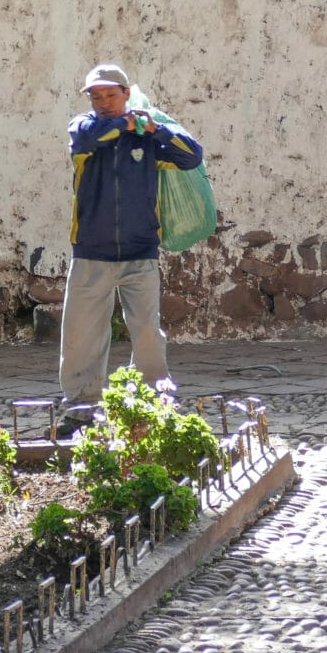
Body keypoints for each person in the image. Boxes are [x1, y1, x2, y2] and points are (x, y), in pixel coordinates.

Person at [61, 63, 203, 431]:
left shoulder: (147, 138)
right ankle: (80, 409)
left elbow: (192, 155)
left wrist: (155, 128)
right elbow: (89, 139)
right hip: (91, 251)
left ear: (126, 95)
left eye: (111, 94)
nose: (103, 102)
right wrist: (127, 123)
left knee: (146, 334)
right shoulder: (84, 128)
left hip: (141, 251)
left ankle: (156, 404)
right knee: (81, 336)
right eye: (96, 96)